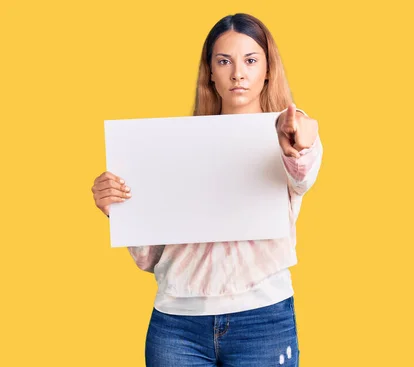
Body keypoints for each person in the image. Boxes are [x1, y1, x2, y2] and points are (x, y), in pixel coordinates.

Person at [91, 13, 323, 367]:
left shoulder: (291, 132)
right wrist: (119, 209)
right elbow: (149, 257)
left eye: (250, 60)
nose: (238, 73)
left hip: (262, 320)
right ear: (210, 72)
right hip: (177, 324)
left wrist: (299, 147)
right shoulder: (172, 146)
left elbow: (301, 174)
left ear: (268, 70)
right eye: (224, 61)